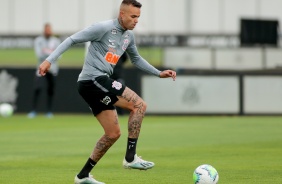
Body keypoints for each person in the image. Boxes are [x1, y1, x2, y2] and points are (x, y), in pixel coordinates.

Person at [38, 0, 177, 183]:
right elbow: (72, 39)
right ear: (122, 14)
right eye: (133, 16)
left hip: (94, 85)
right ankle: (130, 158)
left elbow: (136, 59)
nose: (136, 21)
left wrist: (159, 73)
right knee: (139, 105)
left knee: (113, 134)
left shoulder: (129, 37)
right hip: (94, 79)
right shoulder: (102, 28)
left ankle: (83, 176)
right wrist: (49, 60)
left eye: (138, 17)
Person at [28, 23, 61, 118]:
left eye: (49, 29)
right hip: (41, 68)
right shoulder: (39, 40)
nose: (48, 31)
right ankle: (33, 111)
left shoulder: (56, 41)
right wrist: (51, 53)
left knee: (50, 90)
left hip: (53, 68)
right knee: (37, 88)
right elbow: (39, 54)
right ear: (44, 30)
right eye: (46, 30)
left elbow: (59, 55)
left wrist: (46, 51)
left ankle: (49, 111)